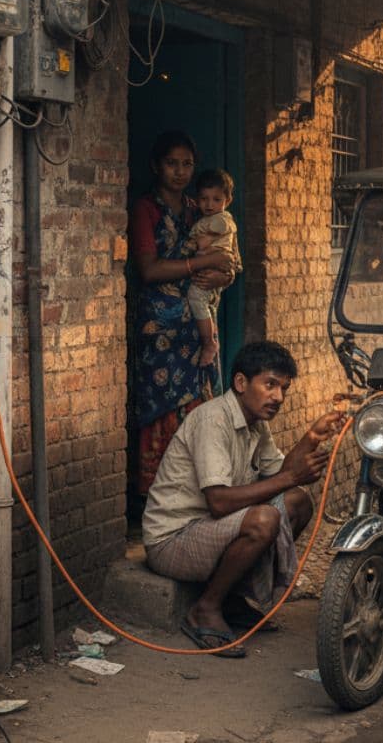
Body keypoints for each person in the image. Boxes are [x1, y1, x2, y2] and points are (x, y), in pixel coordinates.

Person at [142, 341, 343, 658]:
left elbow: (280, 475)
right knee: (265, 519)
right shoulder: (213, 420)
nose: (278, 397)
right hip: (173, 540)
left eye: (283, 388)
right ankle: (204, 609)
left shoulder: (255, 424)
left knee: (298, 502)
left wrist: (313, 437)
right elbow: (219, 503)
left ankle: (232, 598)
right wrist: (291, 477)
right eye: (270, 385)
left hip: (210, 529)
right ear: (240, 383)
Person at [129, 131, 237, 498]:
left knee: (201, 408)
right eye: (172, 164)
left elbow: (229, 260)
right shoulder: (146, 209)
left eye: (187, 164)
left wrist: (225, 272)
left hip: (198, 326)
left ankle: (198, 495)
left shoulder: (201, 209)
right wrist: (201, 262)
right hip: (160, 328)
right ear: (156, 166)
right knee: (161, 411)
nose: (179, 171)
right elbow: (149, 269)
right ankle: (158, 500)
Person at [187, 169, 242, 367]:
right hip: (209, 269)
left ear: (228, 200)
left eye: (216, 199)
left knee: (196, 298)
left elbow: (204, 243)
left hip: (212, 272)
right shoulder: (204, 217)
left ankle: (209, 343)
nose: (209, 205)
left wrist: (198, 239)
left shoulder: (221, 220)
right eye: (204, 199)